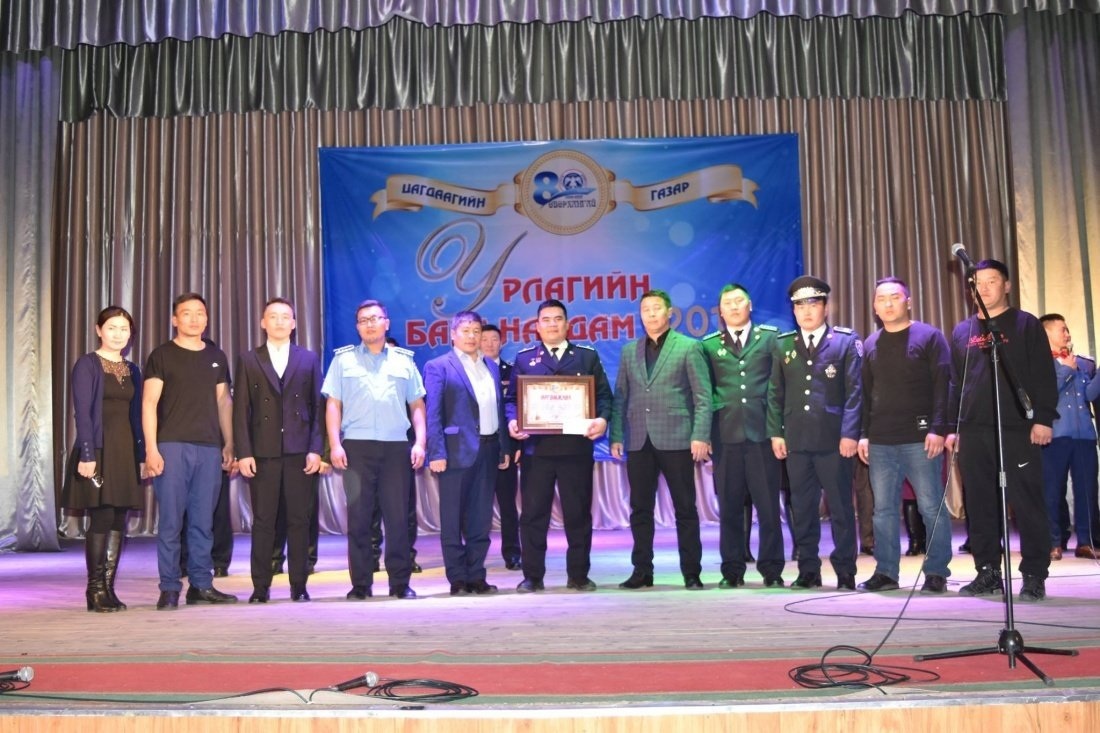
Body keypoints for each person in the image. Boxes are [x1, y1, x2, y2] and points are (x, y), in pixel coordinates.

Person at [945, 259, 1057, 601]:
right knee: (980, 503)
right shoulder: (963, 331)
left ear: (1006, 285)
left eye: (991, 281)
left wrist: (1043, 418)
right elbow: (955, 383)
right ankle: (988, 571)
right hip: (973, 430)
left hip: (1018, 428)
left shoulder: (1025, 324)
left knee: (1026, 501)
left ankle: (1034, 574)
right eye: (977, 283)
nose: (983, 288)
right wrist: (952, 427)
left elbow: (1043, 374)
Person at [506, 299, 613, 592]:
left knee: (577, 514)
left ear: (567, 324)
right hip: (536, 451)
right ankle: (532, 576)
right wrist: (513, 421)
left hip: (575, 450)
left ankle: (578, 575)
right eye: (546, 319)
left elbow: (604, 396)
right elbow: (512, 400)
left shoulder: (586, 356)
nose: (552, 324)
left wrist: (602, 420)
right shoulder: (525, 359)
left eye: (558, 319)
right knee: (533, 516)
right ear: (537, 326)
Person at [855, 277, 953, 594]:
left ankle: (936, 571)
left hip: (921, 438)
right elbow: (865, 394)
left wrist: (938, 429)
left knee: (930, 506)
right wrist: (863, 435)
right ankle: (886, 572)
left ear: (908, 301)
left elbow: (943, 387)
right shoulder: (871, 343)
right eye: (881, 298)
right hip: (881, 440)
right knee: (883, 510)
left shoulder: (930, 336)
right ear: (874, 306)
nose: (887, 303)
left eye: (894, 297)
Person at [323, 299, 426, 600]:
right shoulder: (343, 361)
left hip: (396, 447)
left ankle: (400, 583)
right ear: (357, 327)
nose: (370, 324)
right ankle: (360, 584)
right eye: (363, 320)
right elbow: (333, 405)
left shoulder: (404, 361)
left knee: (398, 519)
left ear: (386, 323)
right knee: (359, 518)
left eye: (375, 318)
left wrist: (420, 442)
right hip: (357, 448)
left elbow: (417, 405)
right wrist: (334, 444)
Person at [611, 289, 712, 590]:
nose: (651, 314)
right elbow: (620, 396)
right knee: (640, 509)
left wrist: (700, 435)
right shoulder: (629, 351)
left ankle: (691, 572)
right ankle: (642, 571)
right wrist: (617, 435)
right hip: (639, 440)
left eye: (656, 308)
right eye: (645, 309)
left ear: (669, 313)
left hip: (678, 438)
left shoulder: (689, 347)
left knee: (685, 508)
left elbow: (703, 396)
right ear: (640, 315)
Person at [767, 275, 862, 591]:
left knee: (841, 509)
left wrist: (850, 434)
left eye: (813, 304)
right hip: (797, 441)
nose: (806, 311)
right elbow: (775, 393)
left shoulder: (845, 342)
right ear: (793, 310)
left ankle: (845, 570)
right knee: (803, 509)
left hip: (834, 441)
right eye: (799, 305)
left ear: (825, 307)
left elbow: (854, 392)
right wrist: (776, 433)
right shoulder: (783, 345)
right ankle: (808, 569)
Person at [142, 293, 237, 609]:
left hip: (209, 448)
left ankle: (201, 585)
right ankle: (169, 587)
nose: (194, 318)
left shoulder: (216, 356)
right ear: (175, 319)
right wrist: (151, 449)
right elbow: (149, 403)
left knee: (203, 522)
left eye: (200, 313)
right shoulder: (162, 355)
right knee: (171, 521)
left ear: (207, 319)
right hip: (171, 446)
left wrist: (229, 442)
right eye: (186, 313)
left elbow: (224, 402)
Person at [233, 298, 324, 603]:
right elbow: (241, 410)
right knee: (263, 521)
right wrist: (244, 452)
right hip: (263, 453)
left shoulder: (308, 358)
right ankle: (260, 587)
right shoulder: (249, 359)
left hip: (299, 452)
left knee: (299, 520)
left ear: (294, 324)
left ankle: (299, 585)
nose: (280, 321)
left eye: (286, 317)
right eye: (273, 316)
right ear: (263, 322)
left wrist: (316, 449)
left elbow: (318, 407)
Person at [701, 284, 785, 588]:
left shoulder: (770, 338)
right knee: (730, 509)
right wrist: (704, 434)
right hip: (725, 436)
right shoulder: (709, 345)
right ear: (721, 311)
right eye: (728, 303)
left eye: (739, 301)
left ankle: (772, 570)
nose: (734, 307)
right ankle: (732, 571)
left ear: (750, 305)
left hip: (762, 434)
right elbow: (704, 392)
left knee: (768, 508)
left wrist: (778, 431)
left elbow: (778, 388)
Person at [63, 306, 146, 612]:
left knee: (118, 518)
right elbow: (82, 413)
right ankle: (94, 590)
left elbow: (136, 416)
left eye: (124, 329)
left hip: (125, 453)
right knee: (101, 515)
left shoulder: (133, 369)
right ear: (99, 330)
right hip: (97, 452)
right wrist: (87, 455)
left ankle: (109, 588)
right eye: (112, 328)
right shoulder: (87, 364)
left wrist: (141, 456)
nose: (118, 334)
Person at [424, 311, 510, 595]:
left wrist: (504, 447)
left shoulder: (491, 366)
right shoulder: (438, 366)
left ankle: (476, 575)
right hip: (454, 452)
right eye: (466, 331)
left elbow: (498, 409)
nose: (472, 336)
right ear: (453, 334)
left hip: (489, 449)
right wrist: (436, 452)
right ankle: (458, 578)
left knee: (481, 518)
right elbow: (433, 413)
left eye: (476, 331)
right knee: (452, 519)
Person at [1039, 314, 1100, 560]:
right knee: (1052, 491)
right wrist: (1066, 370)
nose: (1067, 334)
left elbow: (1088, 395)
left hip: (1084, 435)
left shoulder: (1083, 363)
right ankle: (1053, 542)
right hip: (1055, 435)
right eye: (1062, 329)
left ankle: (1086, 541)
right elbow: (1045, 396)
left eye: (1067, 329)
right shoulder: (1039, 364)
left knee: (1087, 490)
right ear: (1046, 333)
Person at [481, 323, 522, 570]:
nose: (488, 343)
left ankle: (513, 553)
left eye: (494, 339)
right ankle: (475, 555)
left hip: (505, 450)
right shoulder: (471, 372)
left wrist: (517, 445)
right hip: (477, 452)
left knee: (508, 506)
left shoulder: (513, 372)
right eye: (484, 339)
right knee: (477, 507)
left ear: (501, 342)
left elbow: (519, 409)